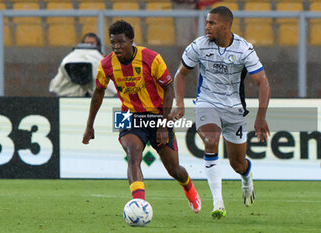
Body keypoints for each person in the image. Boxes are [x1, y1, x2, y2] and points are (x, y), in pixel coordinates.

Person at [82, 20, 202, 213]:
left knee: (173, 169)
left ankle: (188, 187)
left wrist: (163, 125)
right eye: (113, 43)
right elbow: (98, 93)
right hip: (129, 116)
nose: (116, 47)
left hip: (157, 115)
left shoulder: (151, 58)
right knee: (133, 156)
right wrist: (89, 126)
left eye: (121, 42)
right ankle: (139, 205)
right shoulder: (106, 64)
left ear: (131, 41)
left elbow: (168, 89)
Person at [169, 6, 270, 219]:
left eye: (211, 23)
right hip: (206, 103)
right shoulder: (199, 45)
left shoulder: (244, 49)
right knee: (211, 140)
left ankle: (246, 177)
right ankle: (218, 202)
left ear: (226, 25)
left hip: (234, 109)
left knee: (237, 164)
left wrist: (261, 116)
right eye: (206, 22)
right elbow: (180, 74)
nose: (206, 26)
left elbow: (263, 82)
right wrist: (179, 103)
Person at [49, 33, 116, 97]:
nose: (88, 45)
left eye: (92, 43)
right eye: (86, 43)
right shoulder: (71, 58)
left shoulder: (101, 59)